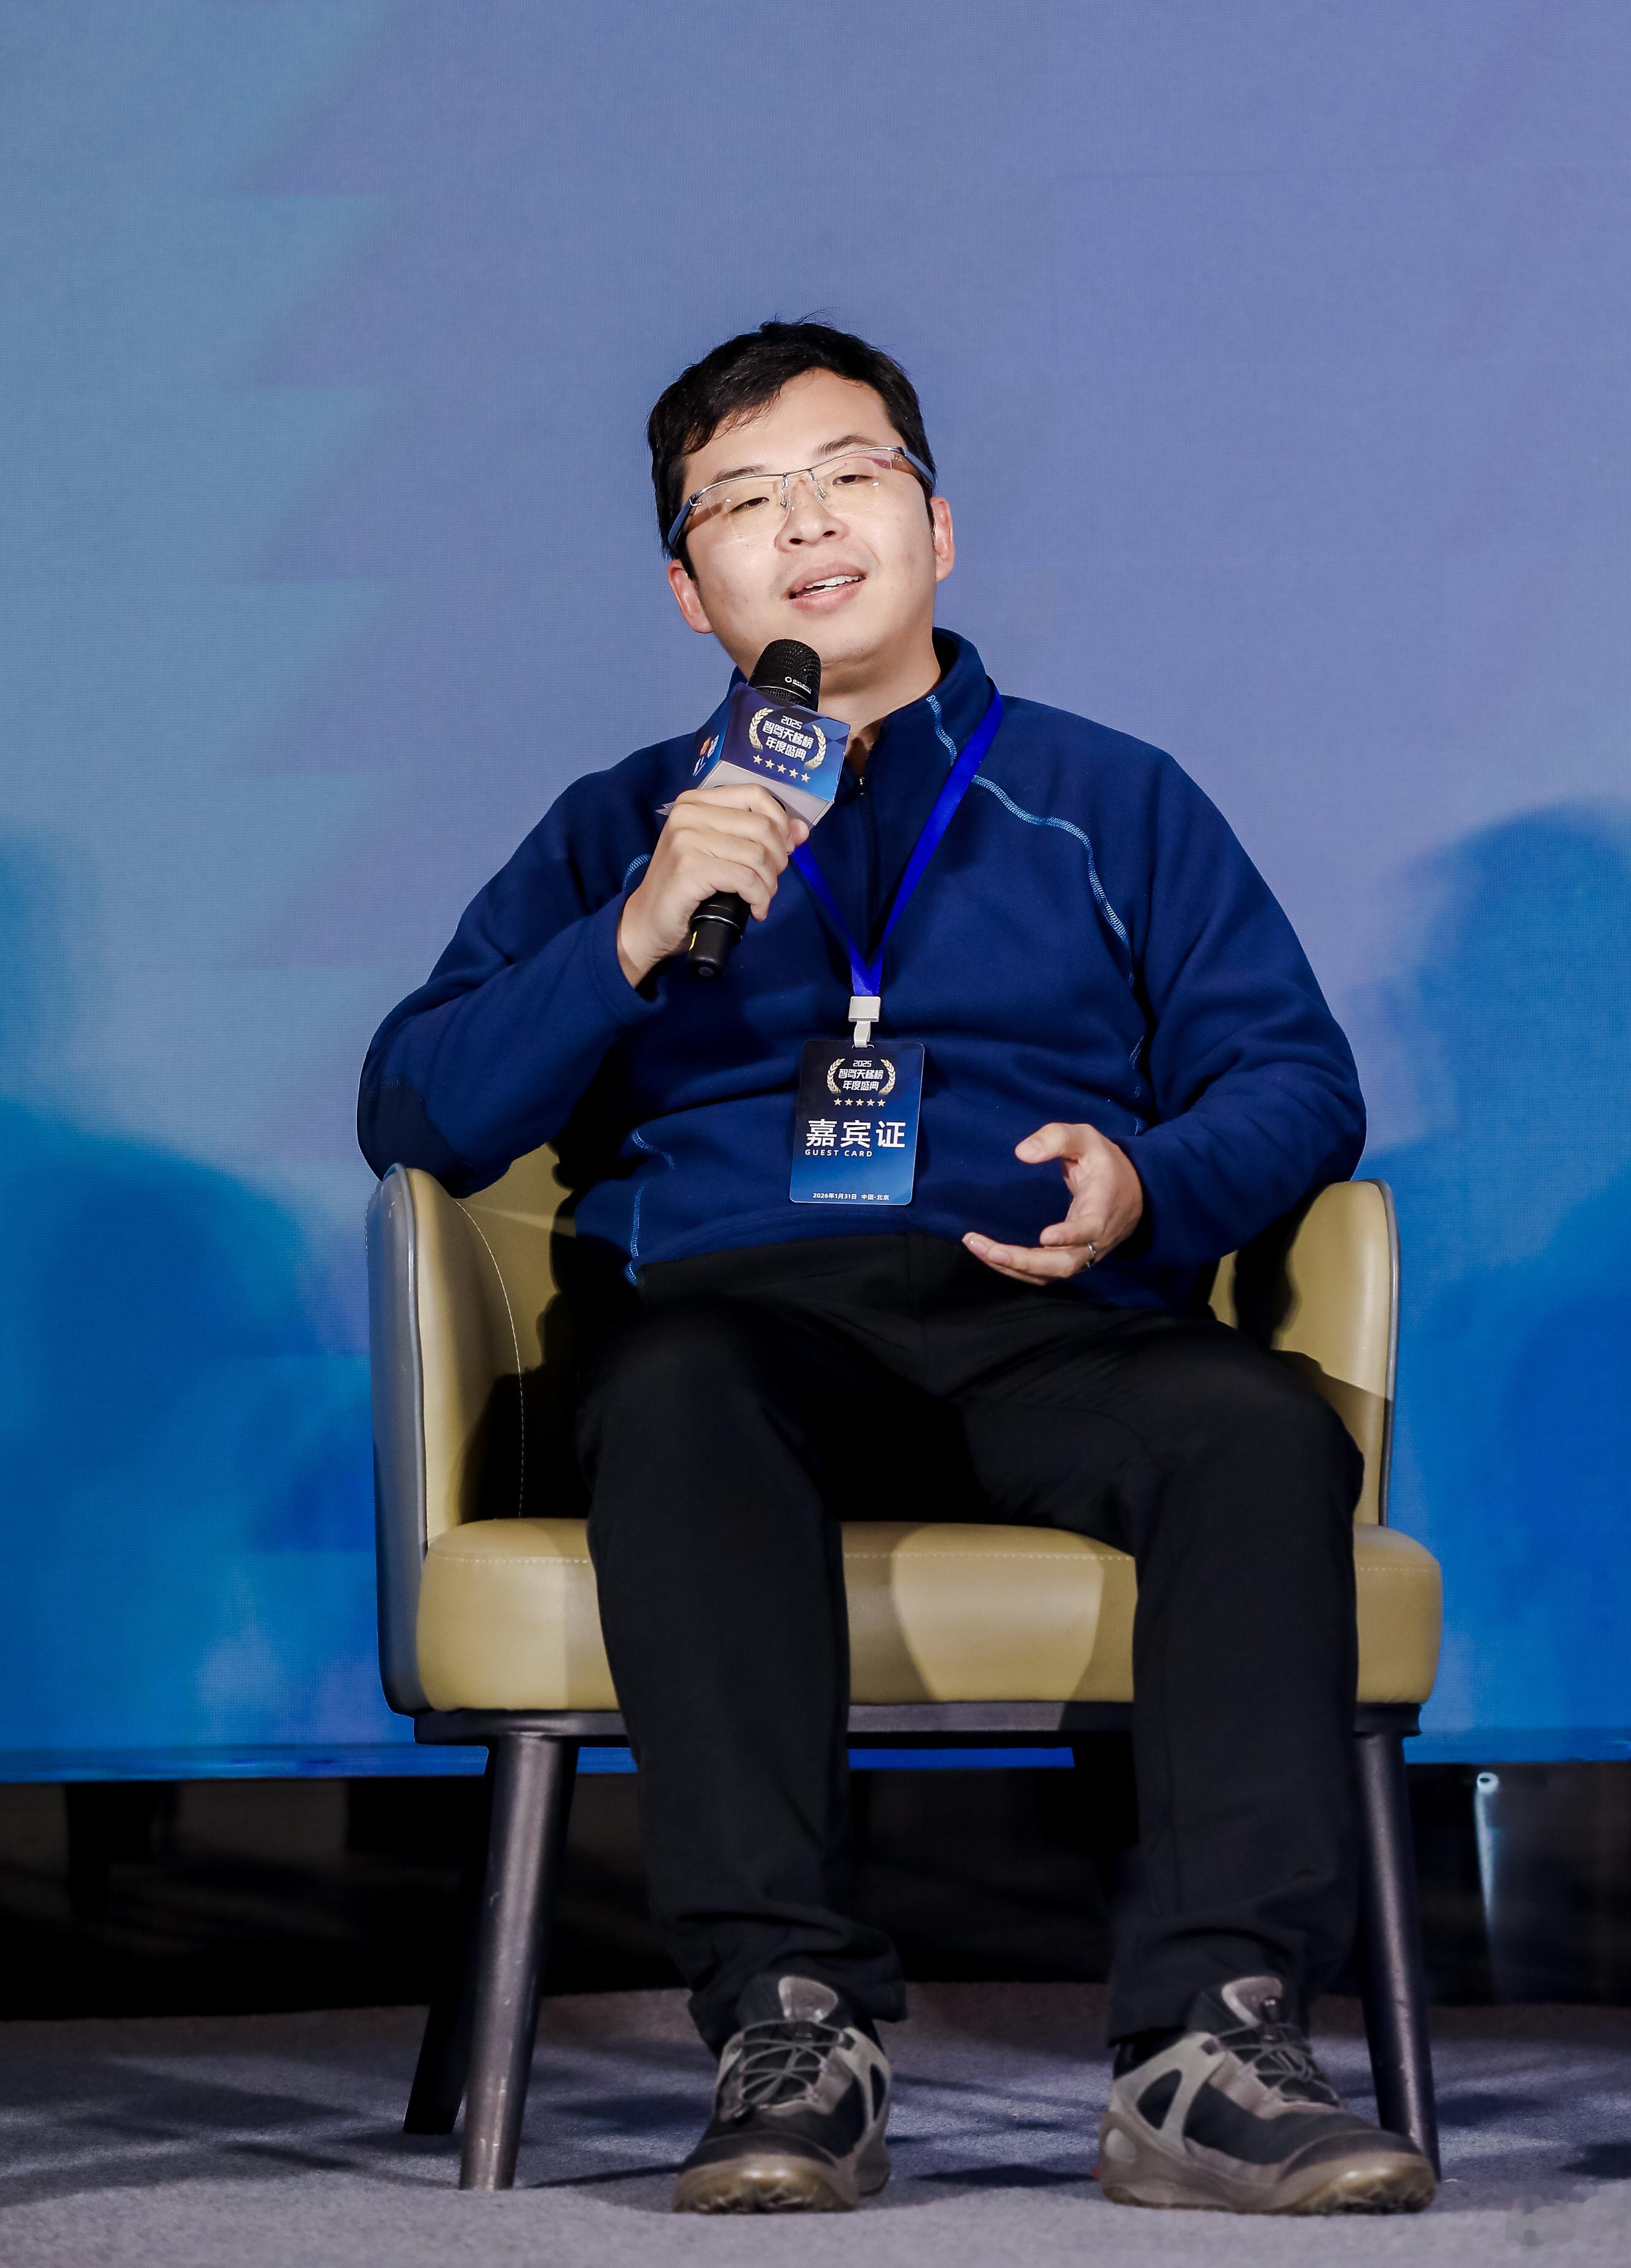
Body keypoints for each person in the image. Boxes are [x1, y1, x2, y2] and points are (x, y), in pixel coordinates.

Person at [359, 321, 1436, 2218]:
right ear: (690, 590)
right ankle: (790, 2027)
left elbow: (1297, 1082)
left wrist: (1149, 1179)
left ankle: (1213, 2041)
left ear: (936, 527)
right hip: (743, 1328)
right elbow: (416, 1104)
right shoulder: (628, 822)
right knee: (674, 1389)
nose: (806, 525)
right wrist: (630, 936)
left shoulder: (1111, 799)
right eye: (744, 503)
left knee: (1258, 1427)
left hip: (1047, 1311)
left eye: (848, 477)